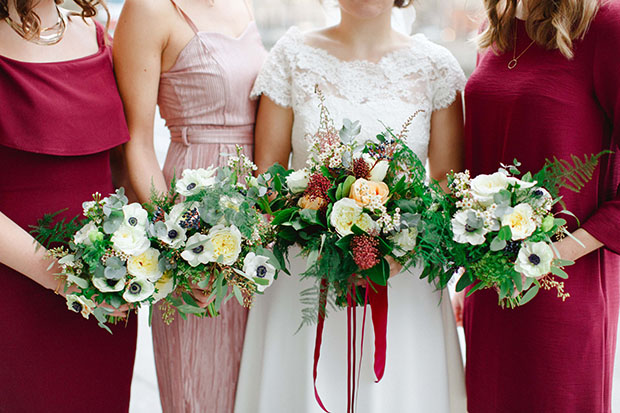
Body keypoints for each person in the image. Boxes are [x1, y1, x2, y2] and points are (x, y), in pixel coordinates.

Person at [235, 0, 467, 411]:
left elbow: (447, 190)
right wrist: (323, 237)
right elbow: (267, 181)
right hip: (306, 274)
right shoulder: (292, 57)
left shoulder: (436, 67)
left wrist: (398, 250)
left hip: (404, 279)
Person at [459, 0, 620, 411]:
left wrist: (548, 256)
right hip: (490, 286)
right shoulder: (494, 28)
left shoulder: (606, 25)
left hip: (565, 288)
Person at [113, 0, 266, 410]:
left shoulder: (241, 4)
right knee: (197, 383)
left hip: (254, 221)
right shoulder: (148, 9)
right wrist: (179, 243)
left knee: (252, 382)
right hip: (192, 214)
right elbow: (136, 142)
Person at [0, 0, 137, 411]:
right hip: (15, 294)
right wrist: (66, 278)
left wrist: (165, 257)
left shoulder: (95, 32)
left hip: (105, 298)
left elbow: (123, 168)